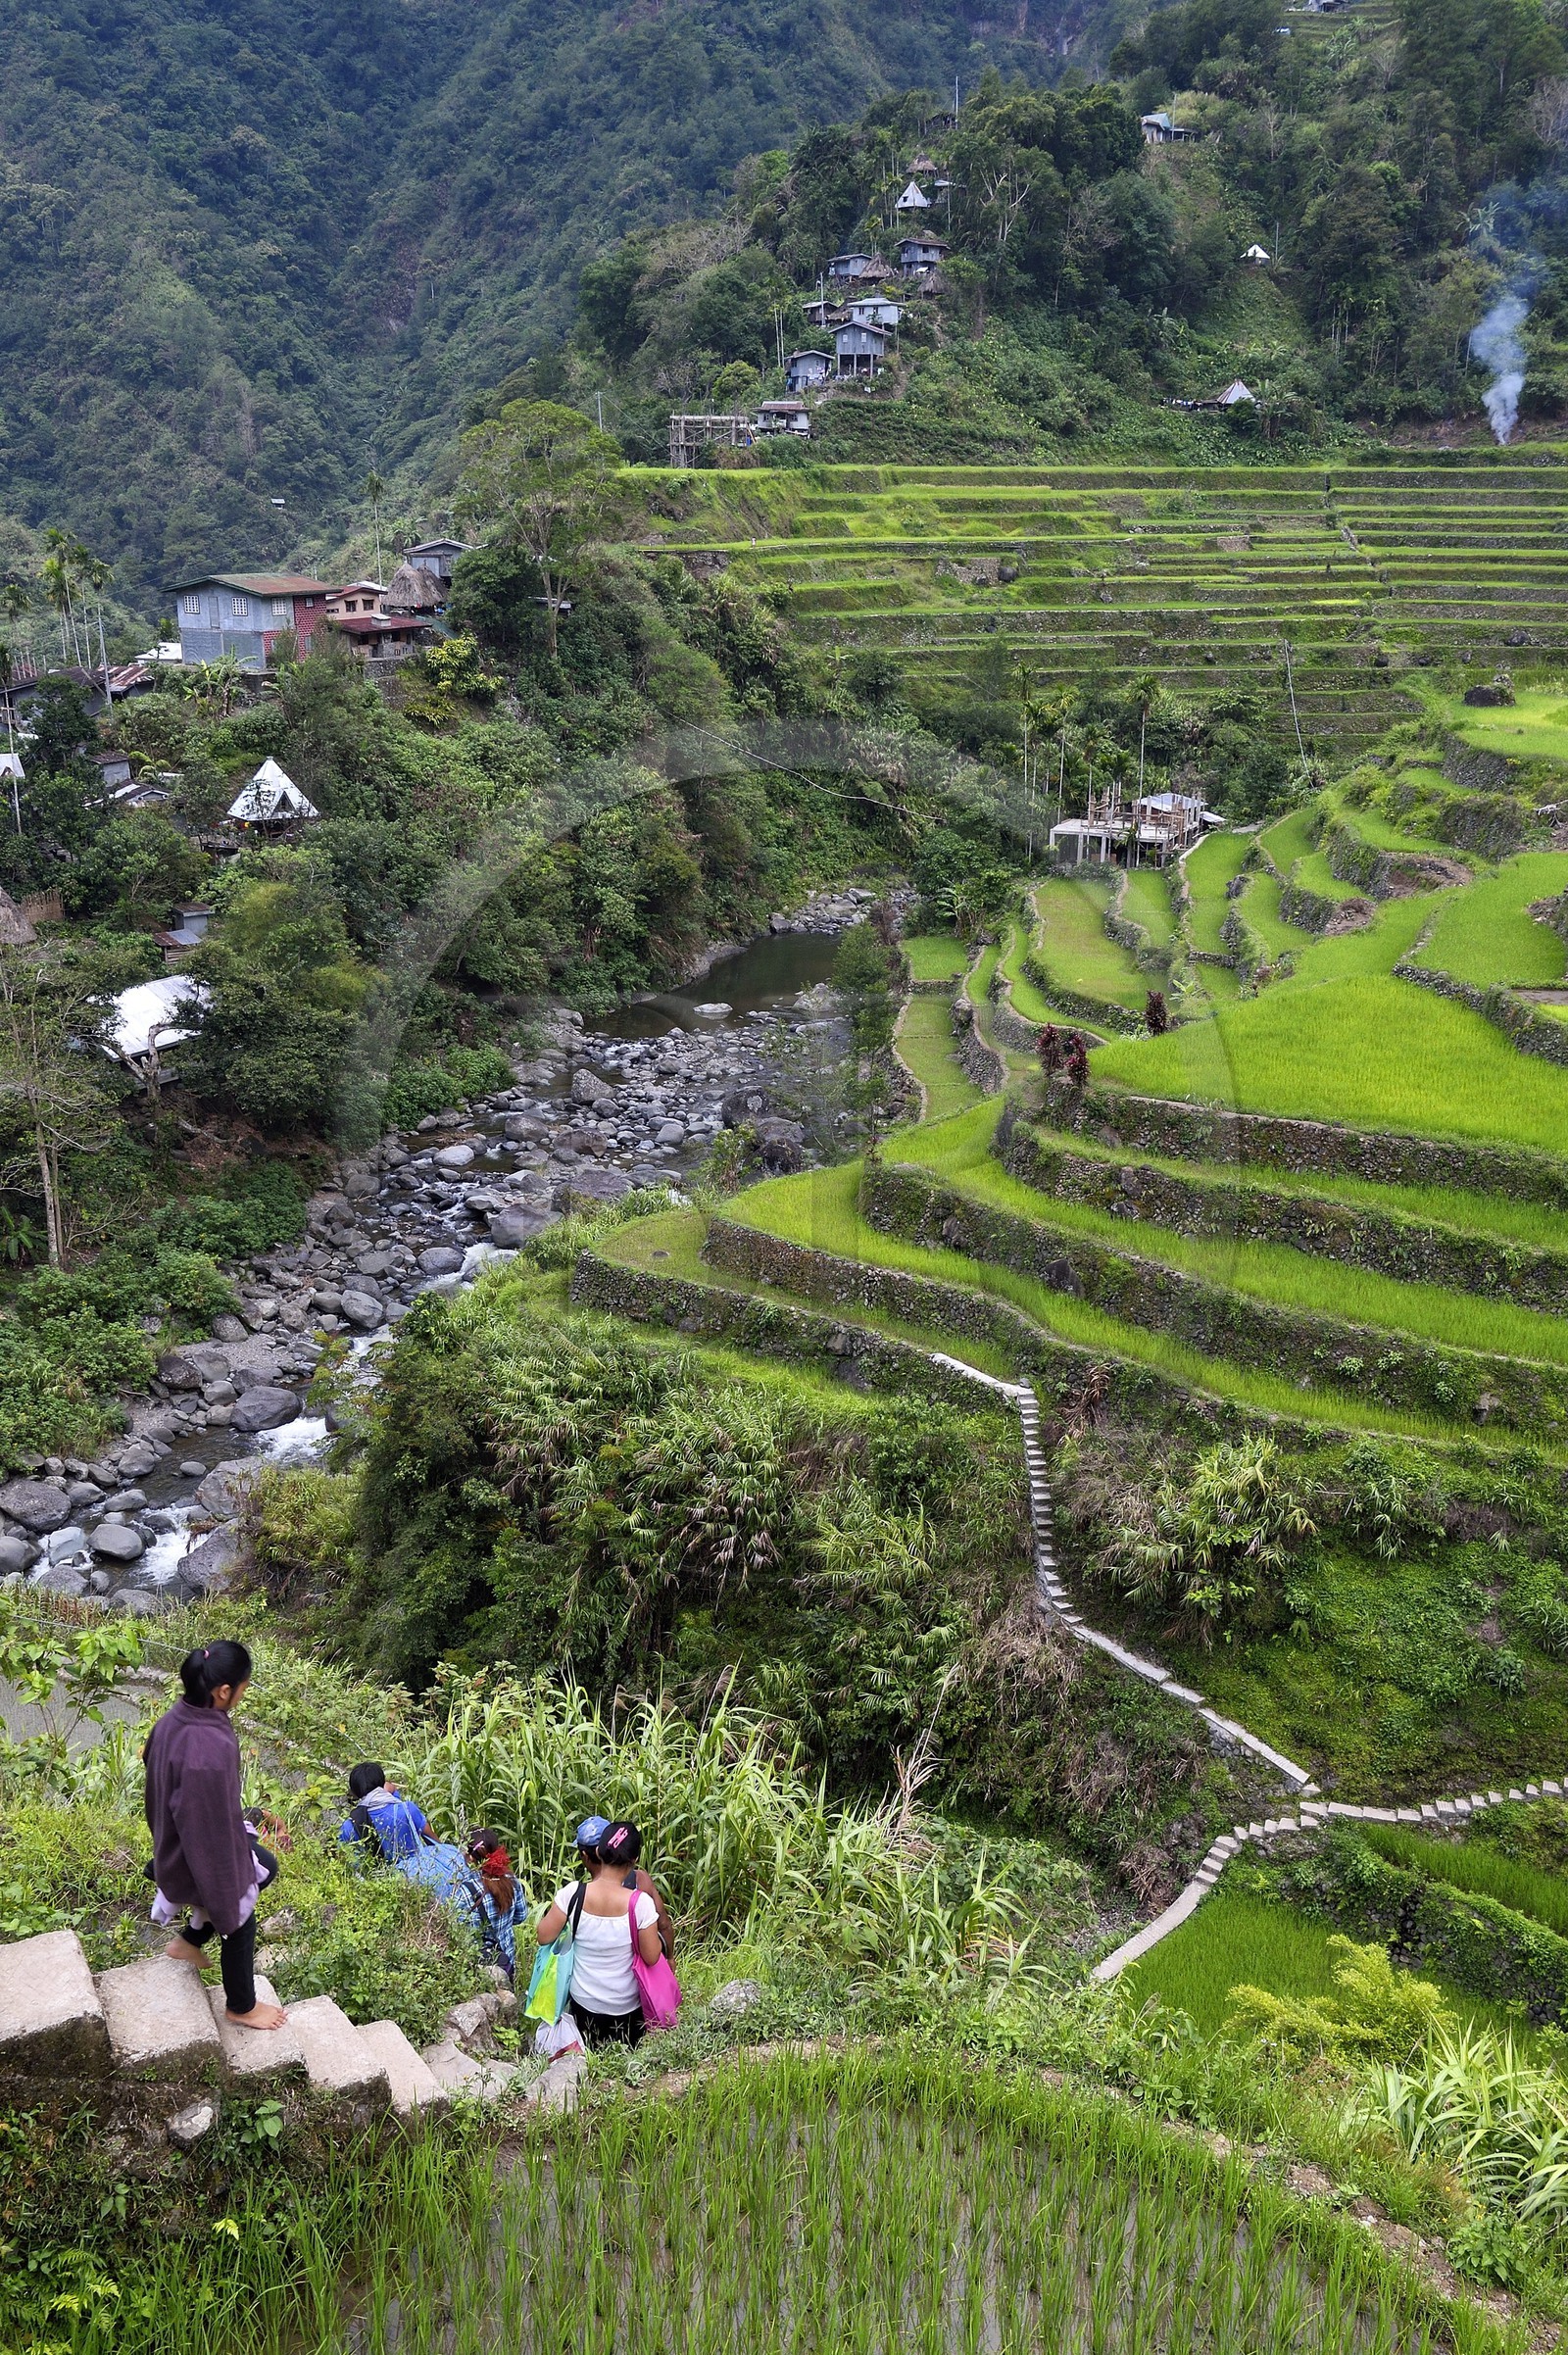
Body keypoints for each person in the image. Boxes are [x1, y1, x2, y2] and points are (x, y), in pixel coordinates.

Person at [144, 1641, 287, 2033]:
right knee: (240, 1913)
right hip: (190, 1855)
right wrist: (228, 1893)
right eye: (243, 1688)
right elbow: (206, 1835)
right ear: (223, 1691)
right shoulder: (207, 1752)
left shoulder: (174, 1720)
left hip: (172, 1841)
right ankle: (241, 2006)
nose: (243, 1694)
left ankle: (189, 1941)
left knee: (266, 1866)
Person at [536, 1818, 662, 2049]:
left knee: (588, 2057)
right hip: (626, 2008)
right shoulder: (640, 1903)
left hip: (583, 2005)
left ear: (598, 1852)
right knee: (625, 2057)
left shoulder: (573, 1894)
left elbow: (543, 1936)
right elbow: (651, 1957)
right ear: (634, 1859)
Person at [572, 1812, 676, 1960]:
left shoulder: (576, 1894)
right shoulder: (641, 1880)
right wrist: (670, 1958)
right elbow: (664, 1924)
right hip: (634, 1971)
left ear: (585, 1855)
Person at [465, 1828, 531, 1981]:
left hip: (478, 1971)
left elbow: (464, 1935)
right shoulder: (511, 1880)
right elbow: (521, 1916)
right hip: (506, 1964)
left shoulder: (467, 1891)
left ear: (471, 1858)